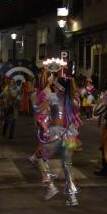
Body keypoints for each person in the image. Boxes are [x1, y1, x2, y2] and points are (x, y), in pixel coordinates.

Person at [31, 68, 82, 206]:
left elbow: (37, 109)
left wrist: (35, 98)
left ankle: (50, 185)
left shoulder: (53, 97)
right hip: (70, 134)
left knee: (40, 157)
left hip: (55, 133)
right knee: (67, 165)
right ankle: (72, 197)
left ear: (58, 87)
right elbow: (75, 118)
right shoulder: (74, 100)